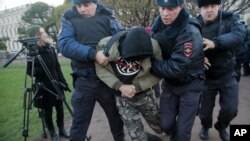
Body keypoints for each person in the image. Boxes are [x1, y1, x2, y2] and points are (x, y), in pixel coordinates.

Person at [57, 0, 125, 141]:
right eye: (79, 5)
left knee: (116, 120)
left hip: (108, 79)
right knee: (79, 125)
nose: (82, 9)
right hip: (84, 80)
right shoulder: (69, 20)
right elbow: (64, 44)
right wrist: (94, 54)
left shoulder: (109, 18)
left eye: (86, 5)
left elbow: (121, 40)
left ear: (95, 3)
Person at [150, 0, 205, 141]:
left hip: (190, 85)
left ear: (181, 6)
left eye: (170, 8)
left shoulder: (190, 31)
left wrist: (149, 64)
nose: (165, 13)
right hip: (170, 84)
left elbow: (177, 68)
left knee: (183, 133)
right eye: (162, 8)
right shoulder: (158, 25)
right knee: (165, 125)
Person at [95, 27, 162, 141]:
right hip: (122, 97)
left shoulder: (154, 46)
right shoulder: (106, 46)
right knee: (137, 136)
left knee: (161, 126)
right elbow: (100, 70)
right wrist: (120, 86)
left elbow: (159, 72)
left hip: (144, 93)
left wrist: (137, 87)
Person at [196, 0, 247, 141]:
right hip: (205, 77)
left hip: (227, 74)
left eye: (213, 6)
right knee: (205, 112)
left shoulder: (230, 19)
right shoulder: (194, 24)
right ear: (200, 9)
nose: (209, 10)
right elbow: (186, 46)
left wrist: (215, 43)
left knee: (231, 109)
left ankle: (221, 126)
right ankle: (205, 127)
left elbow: (239, 35)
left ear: (218, 6)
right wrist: (198, 59)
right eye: (205, 6)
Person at [27, 25, 70, 141]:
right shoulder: (33, 52)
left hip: (56, 83)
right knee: (48, 111)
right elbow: (29, 72)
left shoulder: (51, 48)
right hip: (43, 86)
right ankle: (53, 133)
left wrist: (64, 82)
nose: (45, 33)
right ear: (36, 36)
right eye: (42, 32)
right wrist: (37, 69)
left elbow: (57, 67)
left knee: (60, 108)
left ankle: (62, 130)